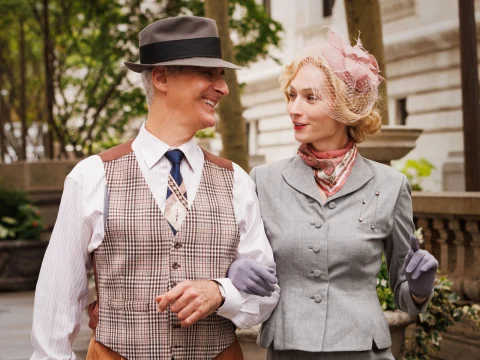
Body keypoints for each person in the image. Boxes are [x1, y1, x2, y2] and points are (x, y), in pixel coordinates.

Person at [30, 16, 279, 360]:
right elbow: (56, 303)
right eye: (208, 74)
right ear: (161, 77)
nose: (223, 88)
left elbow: (266, 294)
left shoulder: (236, 181)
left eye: (221, 76)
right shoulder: (91, 177)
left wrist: (221, 293)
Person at [228, 31, 438, 359]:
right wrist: (233, 268)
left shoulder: (391, 185)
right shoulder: (263, 181)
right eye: (291, 95)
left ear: (345, 107)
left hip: (364, 351)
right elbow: (241, 256)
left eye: (310, 98)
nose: (294, 109)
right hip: (288, 350)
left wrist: (421, 289)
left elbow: (405, 298)